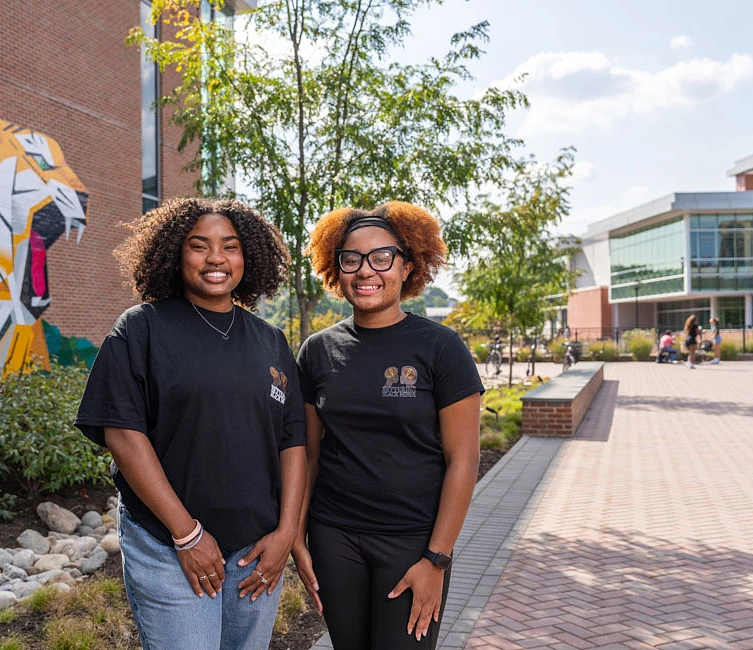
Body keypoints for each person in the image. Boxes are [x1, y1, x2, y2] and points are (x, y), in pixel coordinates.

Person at [74, 197, 306, 650]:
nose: (216, 258)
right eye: (199, 246)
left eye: (230, 246)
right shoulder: (141, 329)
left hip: (256, 549)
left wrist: (286, 533)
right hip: (168, 545)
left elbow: (292, 441)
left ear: (249, 257)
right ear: (176, 254)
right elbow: (123, 434)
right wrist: (187, 534)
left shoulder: (271, 341)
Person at [292, 202, 484, 649]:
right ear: (334, 269)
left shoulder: (442, 348)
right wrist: (297, 537)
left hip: (412, 542)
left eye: (382, 257)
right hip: (333, 537)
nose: (366, 271)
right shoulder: (317, 351)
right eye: (351, 259)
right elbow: (309, 455)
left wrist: (437, 559)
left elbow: (464, 460)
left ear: (408, 265)